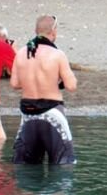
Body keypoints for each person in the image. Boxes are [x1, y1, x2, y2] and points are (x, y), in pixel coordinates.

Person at [10, 15, 77, 165]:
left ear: (36, 30)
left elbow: (14, 84)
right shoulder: (57, 54)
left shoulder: (21, 53)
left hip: (28, 115)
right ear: (54, 32)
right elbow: (71, 86)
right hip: (52, 113)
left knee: (25, 167)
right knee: (64, 164)